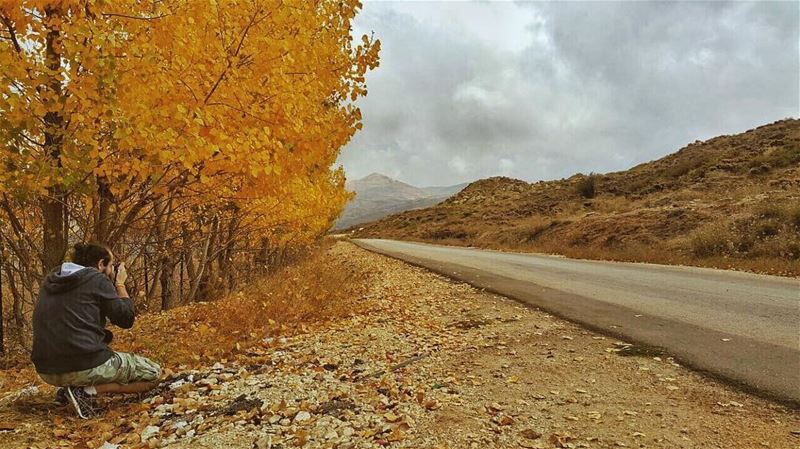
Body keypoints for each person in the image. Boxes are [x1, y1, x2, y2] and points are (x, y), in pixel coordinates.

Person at [31, 242, 161, 419]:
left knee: (90, 361)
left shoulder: (51, 280)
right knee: (153, 374)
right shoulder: (96, 279)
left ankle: (68, 390)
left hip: (46, 369)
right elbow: (126, 319)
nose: (111, 270)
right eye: (110, 265)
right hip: (85, 364)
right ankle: (86, 392)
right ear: (100, 264)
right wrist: (120, 284)